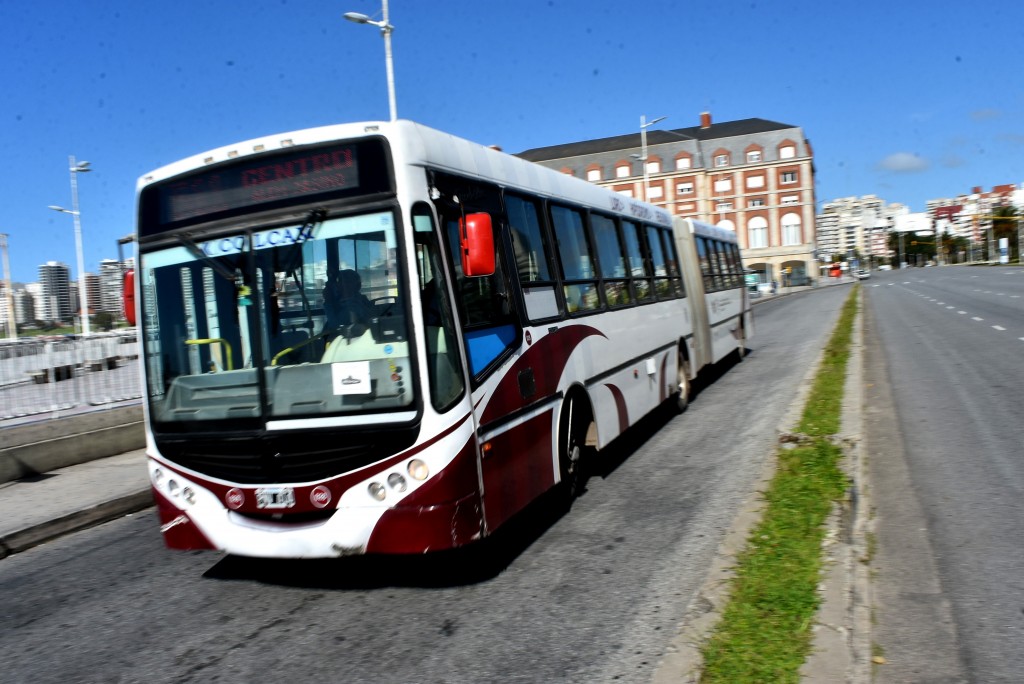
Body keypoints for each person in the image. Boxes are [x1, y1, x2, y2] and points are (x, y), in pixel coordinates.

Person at [324, 268, 375, 336]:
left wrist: (328, 302)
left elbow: (335, 327)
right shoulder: (346, 301)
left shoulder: (354, 305)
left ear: (349, 284)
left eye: (340, 281)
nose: (336, 284)